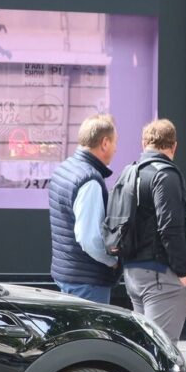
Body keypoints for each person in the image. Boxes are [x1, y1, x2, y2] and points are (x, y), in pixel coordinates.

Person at [122, 118, 186, 343]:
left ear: (143, 142)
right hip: (160, 275)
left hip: (133, 273)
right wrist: (184, 273)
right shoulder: (165, 175)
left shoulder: (130, 172)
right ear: (174, 146)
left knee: (144, 349)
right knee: (161, 350)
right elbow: (170, 228)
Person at [48, 114, 119, 304]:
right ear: (104, 143)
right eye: (114, 143)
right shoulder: (89, 180)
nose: (116, 149)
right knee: (91, 334)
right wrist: (113, 262)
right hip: (87, 281)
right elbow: (89, 238)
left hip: (67, 273)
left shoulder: (65, 169)